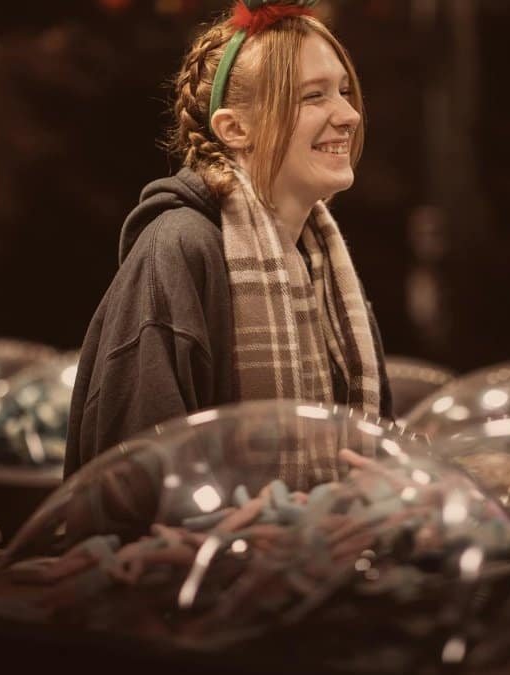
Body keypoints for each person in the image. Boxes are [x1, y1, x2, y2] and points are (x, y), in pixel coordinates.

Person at [65, 0, 393, 479]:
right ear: (235, 129)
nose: (349, 115)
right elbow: (132, 490)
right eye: (313, 96)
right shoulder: (179, 248)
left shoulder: (322, 261)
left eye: (344, 91)